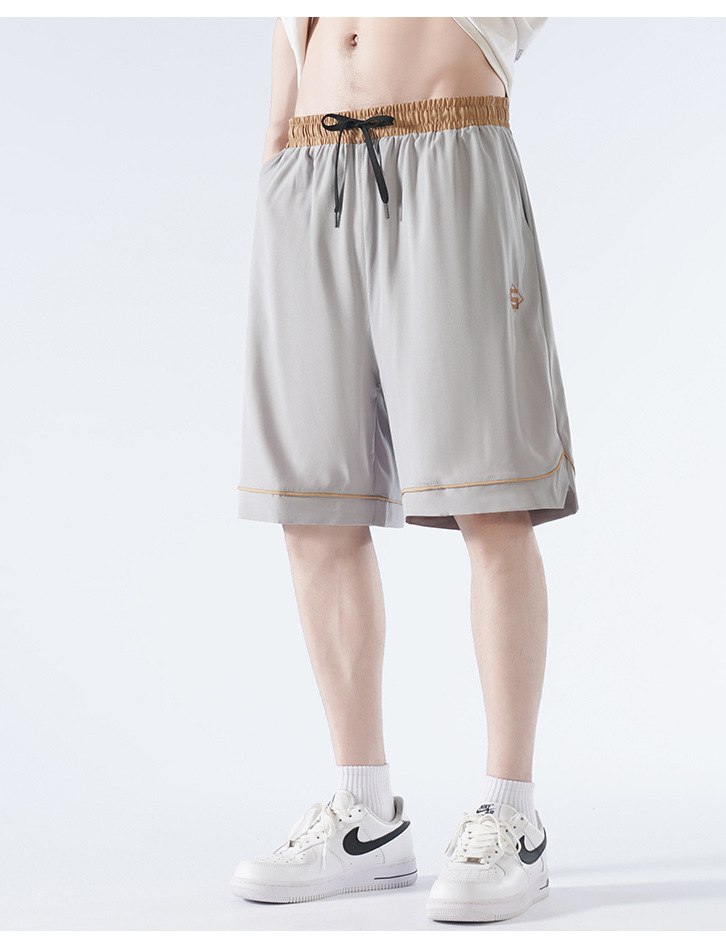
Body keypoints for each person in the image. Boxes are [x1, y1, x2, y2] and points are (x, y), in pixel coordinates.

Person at [230, 16, 579, 924]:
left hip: (447, 151)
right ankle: (365, 814)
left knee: (492, 495)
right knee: (312, 503)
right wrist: (275, 149)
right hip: (308, 166)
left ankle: (512, 813)